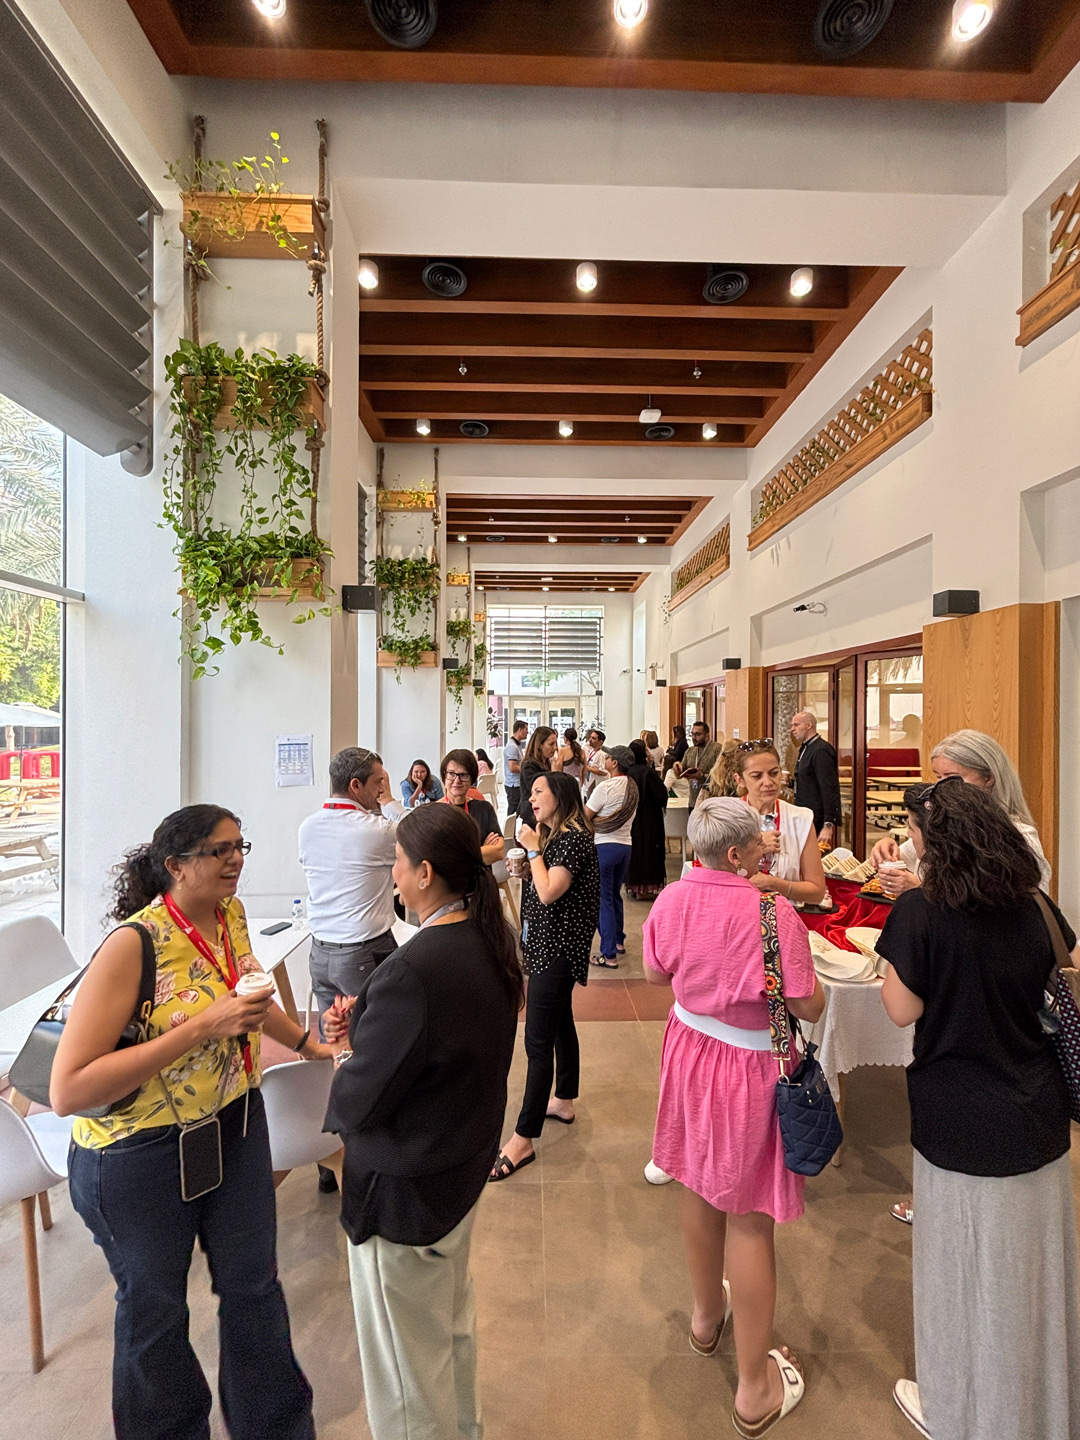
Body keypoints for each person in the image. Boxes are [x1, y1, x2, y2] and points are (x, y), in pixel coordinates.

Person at [52, 805, 326, 1440]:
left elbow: (247, 991)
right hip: (137, 1155)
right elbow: (68, 1089)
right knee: (156, 1312)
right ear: (175, 865)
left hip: (233, 1125)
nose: (235, 860)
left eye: (240, 846)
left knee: (254, 1289)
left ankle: (277, 1427)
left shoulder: (230, 915)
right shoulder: (133, 945)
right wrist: (204, 1025)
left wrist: (305, 1042)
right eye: (219, 850)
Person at [877, 778, 1080, 1440]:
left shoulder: (921, 912)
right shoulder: (1036, 904)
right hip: (1038, 1109)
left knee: (960, 1273)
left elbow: (900, 1008)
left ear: (935, 842)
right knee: (1034, 1277)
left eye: (915, 833)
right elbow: (1067, 970)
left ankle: (960, 1410)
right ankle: (1041, 1408)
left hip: (957, 1112)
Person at [323, 803, 522, 1440]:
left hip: (406, 1192)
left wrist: (345, 1051)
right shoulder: (489, 940)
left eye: (399, 864)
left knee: (406, 1374)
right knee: (448, 1332)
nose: (395, 876)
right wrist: (366, 1029)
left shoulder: (415, 968)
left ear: (426, 873)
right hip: (458, 1169)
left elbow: (360, 1099)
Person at [644, 798, 823, 1437]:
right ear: (735, 853)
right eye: (757, 845)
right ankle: (753, 1387)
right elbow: (806, 1002)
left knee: (697, 1184)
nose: (764, 852)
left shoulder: (672, 899)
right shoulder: (772, 912)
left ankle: (704, 1318)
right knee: (748, 1217)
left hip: (690, 1049)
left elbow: (655, 971)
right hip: (750, 1066)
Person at [490, 772, 599, 1181]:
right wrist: (529, 865)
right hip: (549, 946)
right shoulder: (557, 837)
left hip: (558, 950)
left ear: (561, 796)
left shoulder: (571, 839)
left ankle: (523, 1138)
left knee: (537, 1040)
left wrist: (533, 849)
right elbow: (545, 885)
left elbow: (551, 891)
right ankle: (564, 1099)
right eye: (531, 792)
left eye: (539, 792)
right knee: (559, 1022)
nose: (532, 798)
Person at [870, 728, 1051, 894]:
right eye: (938, 777)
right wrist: (889, 849)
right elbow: (906, 857)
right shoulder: (942, 825)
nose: (941, 787)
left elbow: (1026, 903)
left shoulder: (1019, 836)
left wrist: (920, 888)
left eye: (953, 779)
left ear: (988, 778)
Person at [736, 740, 828, 906]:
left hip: (788, 914)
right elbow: (713, 881)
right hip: (738, 913)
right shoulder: (727, 818)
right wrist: (755, 846)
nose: (768, 782)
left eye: (774, 773)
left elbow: (817, 892)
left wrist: (774, 884)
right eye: (757, 776)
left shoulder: (800, 819)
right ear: (740, 779)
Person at [586, 744, 640, 967]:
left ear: (614, 763)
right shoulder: (632, 788)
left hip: (604, 846)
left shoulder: (606, 787)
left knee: (603, 899)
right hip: (625, 846)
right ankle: (618, 941)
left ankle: (608, 955)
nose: (605, 759)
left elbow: (586, 816)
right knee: (614, 895)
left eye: (608, 757)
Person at [439, 748, 504, 865]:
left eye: (463, 775)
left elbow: (499, 852)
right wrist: (482, 850)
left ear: (472, 779)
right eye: (452, 774)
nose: (457, 781)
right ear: (444, 776)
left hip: (481, 877)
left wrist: (455, 856)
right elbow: (436, 858)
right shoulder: (433, 812)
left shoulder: (484, 809)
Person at [625, 737, 669, 901]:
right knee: (649, 853)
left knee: (636, 853)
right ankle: (645, 888)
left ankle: (634, 886)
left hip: (632, 821)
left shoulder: (628, 772)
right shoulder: (647, 773)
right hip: (649, 821)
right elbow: (661, 795)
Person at [790, 710, 842, 848]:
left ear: (809, 725)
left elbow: (829, 788)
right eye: (792, 725)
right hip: (805, 814)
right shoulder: (805, 748)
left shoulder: (821, 750)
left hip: (817, 817)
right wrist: (790, 783)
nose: (792, 729)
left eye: (796, 725)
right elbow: (809, 781)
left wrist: (828, 824)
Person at [517, 724, 561, 826]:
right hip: (531, 816)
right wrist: (555, 774)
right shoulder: (529, 765)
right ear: (540, 745)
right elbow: (539, 789)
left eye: (555, 743)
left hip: (543, 813)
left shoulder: (547, 763)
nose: (555, 748)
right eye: (551, 744)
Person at [672, 720, 722, 810]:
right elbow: (680, 774)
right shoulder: (690, 751)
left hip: (710, 801)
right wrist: (677, 769)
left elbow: (721, 777)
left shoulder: (717, 750)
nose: (694, 737)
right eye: (692, 734)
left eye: (697, 734)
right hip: (693, 800)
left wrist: (702, 776)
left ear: (706, 736)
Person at [502, 718, 528, 817]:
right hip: (514, 784)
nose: (527, 732)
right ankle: (509, 827)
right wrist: (526, 769)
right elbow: (512, 767)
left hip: (517, 783)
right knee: (513, 811)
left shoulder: (517, 745)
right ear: (520, 730)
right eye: (526, 729)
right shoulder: (512, 747)